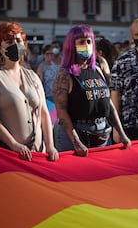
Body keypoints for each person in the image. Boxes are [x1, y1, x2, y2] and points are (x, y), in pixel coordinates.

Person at [0, 22, 58, 162]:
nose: (15, 44)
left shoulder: (32, 76)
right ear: (0, 48)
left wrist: (50, 145)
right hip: (6, 155)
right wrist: (13, 144)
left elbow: (44, 112)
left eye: (19, 40)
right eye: (9, 41)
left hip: (37, 152)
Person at [52, 24, 131, 157]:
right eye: (81, 42)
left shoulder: (98, 69)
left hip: (102, 134)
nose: (87, 45)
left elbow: (108, 104)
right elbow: (61, 111)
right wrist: (76, 141)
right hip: (75, 135)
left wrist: (121, 134)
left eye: (89, 41)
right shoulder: (64, 75)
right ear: (72, 46)